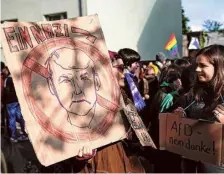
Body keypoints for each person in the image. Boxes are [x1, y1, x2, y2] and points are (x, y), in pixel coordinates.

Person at [172, 44, 224, 173]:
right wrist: (181, 118)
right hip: (192, 161)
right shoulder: (194, 92)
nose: (197, 69)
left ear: (219, 68)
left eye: (203, 66)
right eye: (197, 65)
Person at [46, 47, 114, 129]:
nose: (78, 91)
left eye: (84, 78)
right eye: (67, 80)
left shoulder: (115, 124)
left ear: (97, 81)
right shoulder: (51, 134)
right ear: (51, 86)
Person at [2, 64, 28, 142]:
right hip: (17, 100)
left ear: (6, 69)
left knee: (11, 119)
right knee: (20, 117)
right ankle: (25, 134)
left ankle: (13, 137)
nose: (2, 72)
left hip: (10, 102)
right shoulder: (15, 77)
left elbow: (6, 91)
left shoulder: (7, 79)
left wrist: (3, 100)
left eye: (3, 70)